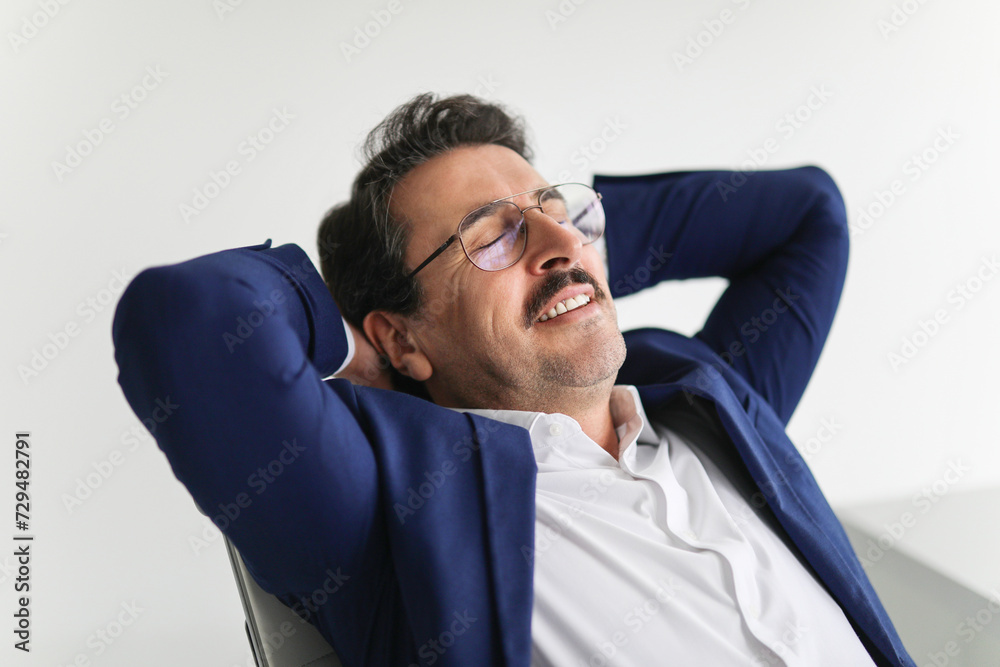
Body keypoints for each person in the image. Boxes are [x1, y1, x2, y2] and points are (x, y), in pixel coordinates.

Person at [112, 93, 915, 666]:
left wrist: (565, 250)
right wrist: (352, 347)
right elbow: (184, 319)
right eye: (489, 234)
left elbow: (807, 216)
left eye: (557, 207)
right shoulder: (396, 517)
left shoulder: (713, 402)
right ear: (402, 336)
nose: (555, 235)